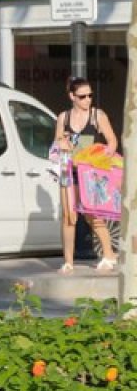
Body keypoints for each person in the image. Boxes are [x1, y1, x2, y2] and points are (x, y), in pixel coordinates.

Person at [52, 76, 119, 272]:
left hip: (90, 172)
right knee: (68, 216)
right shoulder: (63, 118)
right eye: (82, 96)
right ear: (72, 96)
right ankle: (68, 262)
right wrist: (62, 143)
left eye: (90, 95)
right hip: (67, 168)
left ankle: (108, 254)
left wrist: (105, 154)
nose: (87, 100)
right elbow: (57, 141)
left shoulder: (98, 115)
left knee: (92, 215)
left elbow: (112, 141)